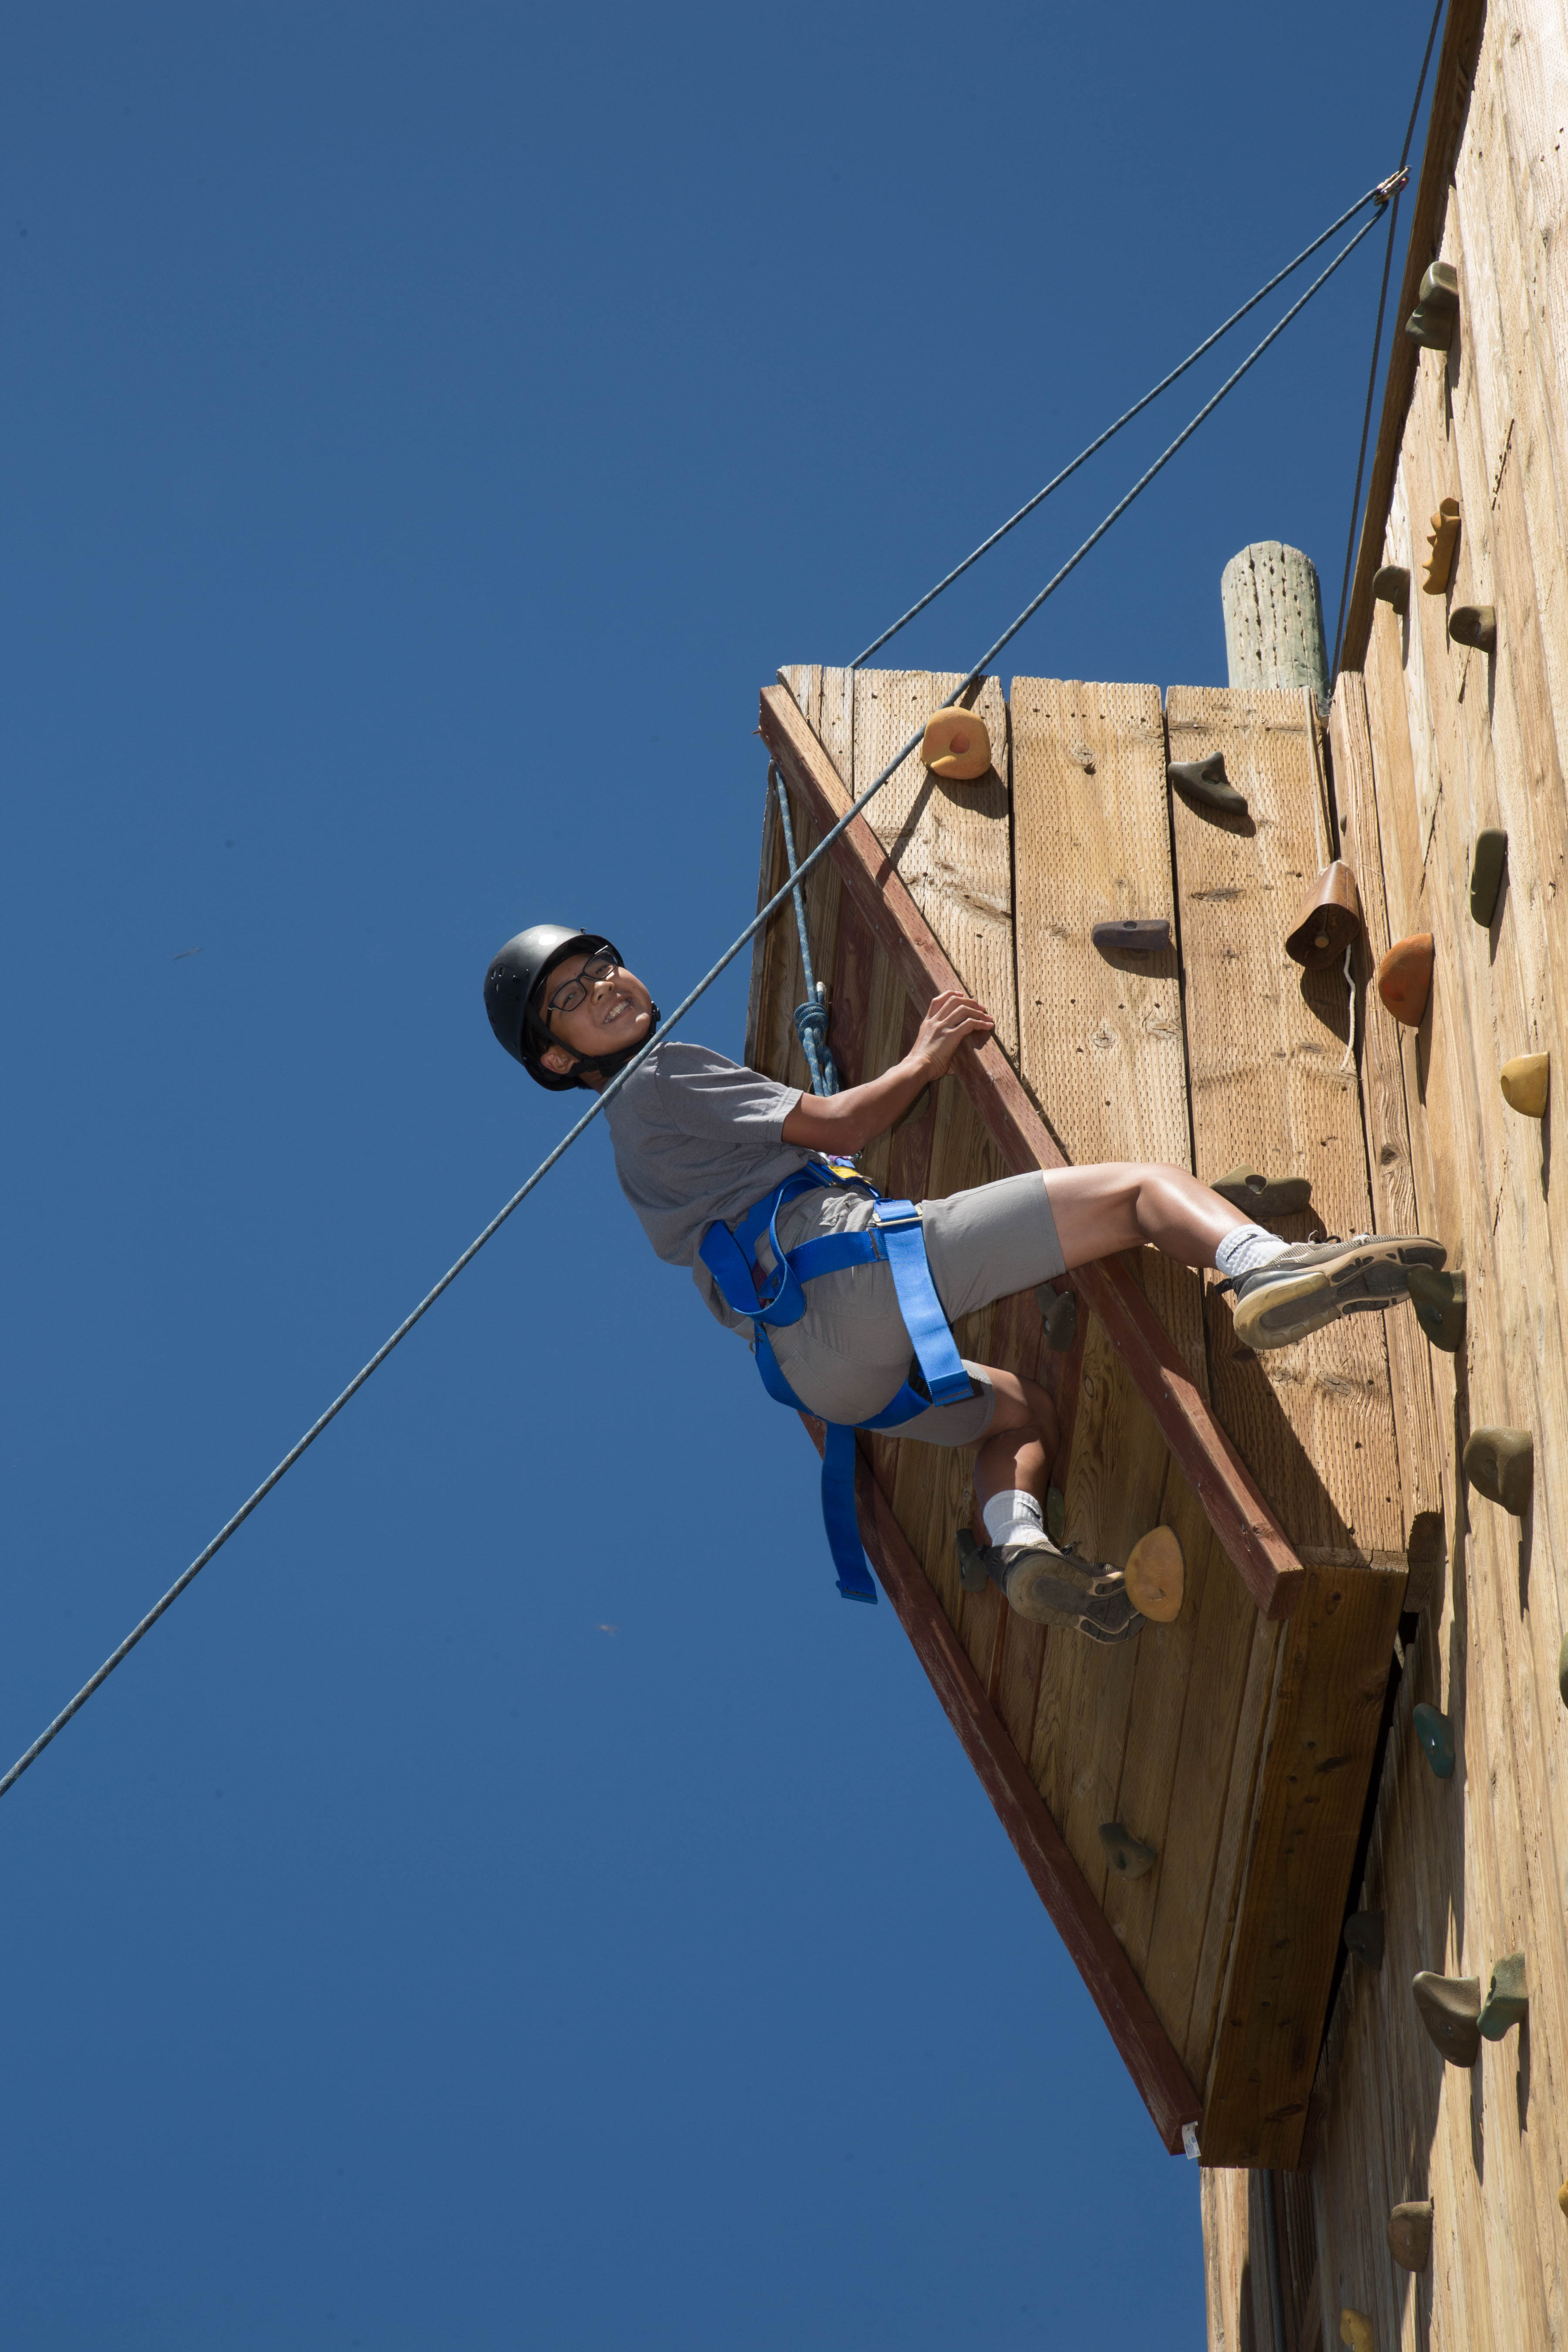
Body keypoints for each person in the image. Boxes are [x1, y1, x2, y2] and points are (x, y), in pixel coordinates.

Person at [483, 925, 1445, 1643]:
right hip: (850, 1272)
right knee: (1141, 1189)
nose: (603, 983)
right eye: (572, 994)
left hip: (819, 1380)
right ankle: (1263, 1270)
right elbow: (839, 1127)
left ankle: (1021, 1547)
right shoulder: (659, 1077)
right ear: (562, 1057)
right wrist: (925, 1057)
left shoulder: (632, 1160)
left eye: (602, 961)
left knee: (1015, 1413)